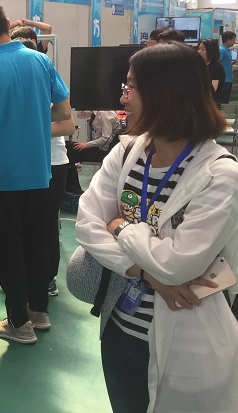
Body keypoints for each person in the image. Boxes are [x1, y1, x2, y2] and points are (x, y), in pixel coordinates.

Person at [76, 41, 238, 413]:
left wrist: (120, 227)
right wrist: (149, 274)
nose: (123, 98)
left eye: (131, 87)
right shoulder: (126, 152)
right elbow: (86, 225)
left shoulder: (220, 175)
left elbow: (178, 265)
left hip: (189, 337)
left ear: (165, 95)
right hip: (120, 327)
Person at [0, 2, 71, 344]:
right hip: (41, 172)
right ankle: (39, 311)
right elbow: (64, 112)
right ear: (8, 23)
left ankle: (18, 322)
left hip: (4, 176)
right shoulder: (41, 62)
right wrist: (33, 119)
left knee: (9, 248)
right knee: (37, 242)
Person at [13, 37, 76, 297]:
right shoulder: (13, 90)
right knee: (21, 224)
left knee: (46, 223)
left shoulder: (48, 87)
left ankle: (47, 278)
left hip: (51, 163)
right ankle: (25, 276)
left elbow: (68, 125)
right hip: (20, 164)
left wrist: (30, 126)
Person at [64, 110, 122, 195]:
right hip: (98, 146)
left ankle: (72, 188)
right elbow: (80, 115)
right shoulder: (97, 112)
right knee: (68, 147)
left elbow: (106, 138)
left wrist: (87, 145)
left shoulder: (104, 114)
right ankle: (71, 187)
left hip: (102, 151)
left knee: (69, 150)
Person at [219, 30, 235, 104]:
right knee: (222, 101)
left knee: (226, 102)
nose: (234, 42)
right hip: (224, 80)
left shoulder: (226, 50)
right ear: (228, 40)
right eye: (233, 40)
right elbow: (217, 63)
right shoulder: (221, 50)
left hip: (228, 79)